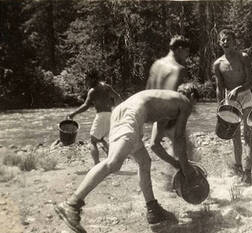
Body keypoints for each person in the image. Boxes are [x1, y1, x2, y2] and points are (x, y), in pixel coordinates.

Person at [54, 84, 200, 233]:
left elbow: (155, 145)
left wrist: (176, 163)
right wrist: (187, 169)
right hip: (131, 115)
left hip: (124, 112)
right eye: (195, 103)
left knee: (144, 161)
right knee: (114, 162)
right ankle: (72, 205)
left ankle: (153, 209)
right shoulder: (184, 102)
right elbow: (179, 139)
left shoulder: (167, 103)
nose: (193, 108)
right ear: (193, 97)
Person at [212, 29, 252, 184]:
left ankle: (248, 173)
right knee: (235, 136)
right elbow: (219, 87)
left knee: (248, 134)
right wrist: (219, 108)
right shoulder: (218, 64)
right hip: (230, 101)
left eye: (228, 39)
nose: (225, 42)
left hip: (245, 96)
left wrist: (238, 89)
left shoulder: (243, 57)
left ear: (234, 41)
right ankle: (238, 169)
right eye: (223, 40)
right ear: (219, 43)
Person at [145, 35, 194, 161]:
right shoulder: (178, 69)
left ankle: (172, 176)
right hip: (170, 117)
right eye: (187, 51)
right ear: (180, 49)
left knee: (172, 149)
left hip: (155, 115)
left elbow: (148, 91)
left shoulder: (156, 64)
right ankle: (186, 176)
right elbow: (172, 96)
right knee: (188, 152)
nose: (187, 55)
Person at [67, 69, 121, 165]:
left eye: (86, 79)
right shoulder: (106, 87)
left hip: (101, 116)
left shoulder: (92, 91)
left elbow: (86, 106)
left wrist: (73, 114)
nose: (85, 82)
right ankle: (113, 159)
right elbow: (117, 97)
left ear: (92, 79)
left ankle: (97, 164)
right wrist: (121, 110)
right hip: (111, 115)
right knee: (100, 138)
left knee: (93, 141)